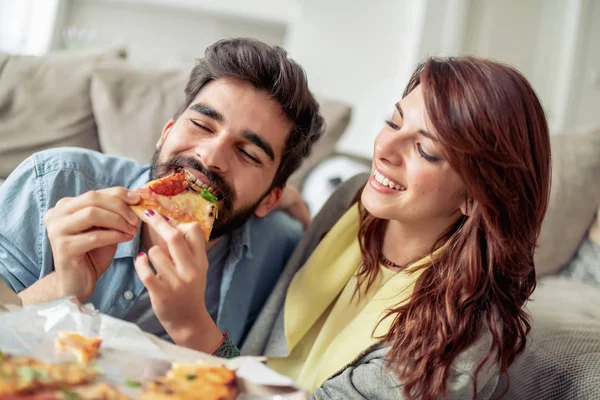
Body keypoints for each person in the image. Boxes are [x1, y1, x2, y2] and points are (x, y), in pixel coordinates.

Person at [238, 56, 552, 399]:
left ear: (477, 196)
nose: (383, 149)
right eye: (394, 122)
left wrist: (198, 333)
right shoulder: (351, 199)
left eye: (425, 149)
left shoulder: (457, 347)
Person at [0, 38, 324, 354]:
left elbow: (259, 381)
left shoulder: (282, 248)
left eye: (249, 153)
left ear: (270, 199)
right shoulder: (51, 181)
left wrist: (193, 327)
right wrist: (61, 287)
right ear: (165, 133)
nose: (211, 156)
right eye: (202, 124)